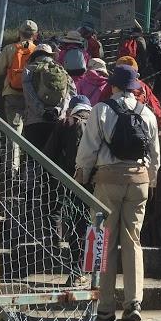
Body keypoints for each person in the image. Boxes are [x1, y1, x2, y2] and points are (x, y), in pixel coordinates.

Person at [75, 64, 160, 321]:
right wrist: (151, 182)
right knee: (133, 242)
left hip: (107, 181)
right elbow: (155, 155)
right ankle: (134, 302)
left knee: (105, 241)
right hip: (139, 181)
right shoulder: (147, 113)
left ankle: (105, 305)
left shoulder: (100, 110)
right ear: (134, 87)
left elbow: (87, 152)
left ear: (112, 85)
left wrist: (81, 177)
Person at [44, 94, 92, 283]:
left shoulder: (66, 123)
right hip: (98, 182)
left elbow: (48, 154)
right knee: (95, 225)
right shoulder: (100, 121)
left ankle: (76, 269)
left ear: (72, 108)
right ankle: (94, 272)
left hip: (71, 182)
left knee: (77, 224)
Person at [0, 20, 39, 141]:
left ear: (19, 32)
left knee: (15, 130)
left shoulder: (10, 49)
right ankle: (31, 158)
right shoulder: (39, 51)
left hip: (13, 92)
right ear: (35, 35)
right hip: (33, 95)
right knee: (32, 129)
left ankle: (13, 159)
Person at [22, 44, 75, 151]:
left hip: (34, 122)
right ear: (50, 55)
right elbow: (71, 94)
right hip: (58, 121)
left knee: (34, 159)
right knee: (54, 159)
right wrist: (58, 110)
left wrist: (43, 112)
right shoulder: (61, 71)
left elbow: (29, 94)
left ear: (34, 55)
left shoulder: (29, 69)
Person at [113, 55, 161, 133]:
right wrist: (160, 125)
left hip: (116, 130)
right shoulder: (143, 87)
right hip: (139, 129)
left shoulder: (111, 86)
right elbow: (155, 108)